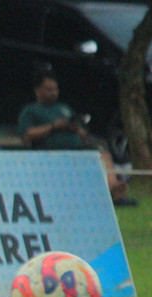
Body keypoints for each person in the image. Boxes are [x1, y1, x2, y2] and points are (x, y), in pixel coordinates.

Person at [17, 71, 132, 205]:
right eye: (49, 89)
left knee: (102, 152)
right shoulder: (31, 111)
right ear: (38, 90)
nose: (53, 93)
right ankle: (112, 191)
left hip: (77, 149)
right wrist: (54, 126)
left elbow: (83, 135)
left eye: (55, 89)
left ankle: (113, 186)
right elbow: (27, 135)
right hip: (50, 152)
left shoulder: (64, 108)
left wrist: (75, 128)